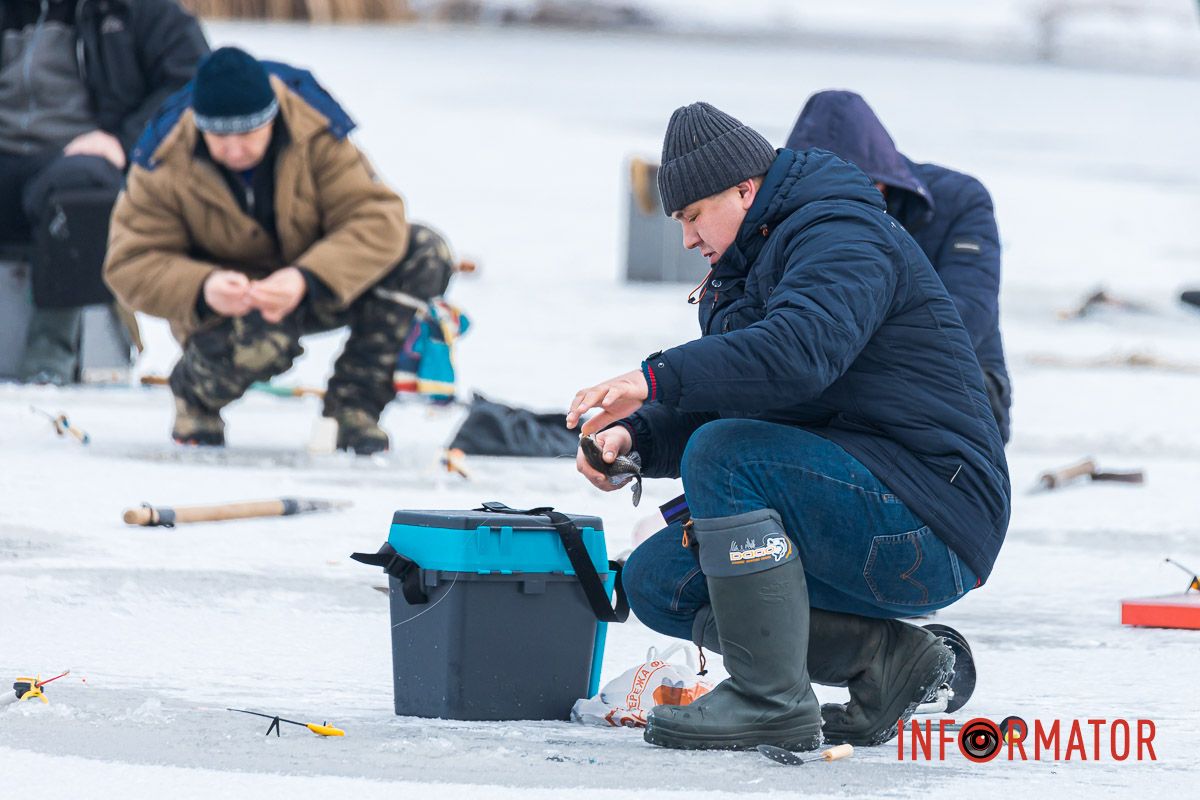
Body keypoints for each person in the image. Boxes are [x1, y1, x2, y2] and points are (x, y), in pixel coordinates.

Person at [568, 103, 1010, 752]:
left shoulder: (841, 235)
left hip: (932, 515)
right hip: (860, 498)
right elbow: (744, 396)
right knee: (658, 579)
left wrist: (652, 376)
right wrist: (636, 436)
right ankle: (887, 659)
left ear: (744, 190)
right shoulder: (744, 272)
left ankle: (767, 699)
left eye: (692, 215)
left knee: (725, 455)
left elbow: (799, 354)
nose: (687, 239)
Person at [104, 47, 455, 454]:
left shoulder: (318, 133)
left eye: (247, 134)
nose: (235, 150)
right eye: (220, 136)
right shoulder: (161, 161)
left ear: (271, 118)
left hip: (317, 282)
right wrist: (202, 287)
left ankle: (352, 408)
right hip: (232, 308)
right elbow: (128, 263)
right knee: (262, 340)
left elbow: (377, 218)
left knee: (425, 250)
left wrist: (308, 277)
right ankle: (195, 396)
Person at [0, 0, 208, 383]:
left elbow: (194, 82)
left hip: (84, 154)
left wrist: (126, 141)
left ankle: (49, 361)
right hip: (7, 154)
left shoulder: (138, 10)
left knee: (79, 191)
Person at [786, 90, 1012, 442]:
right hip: (841, 380)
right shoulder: (792, 216)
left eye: (847, 191)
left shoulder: (960, 202)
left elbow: (967, 316)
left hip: (963, 380)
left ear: (879, 180)